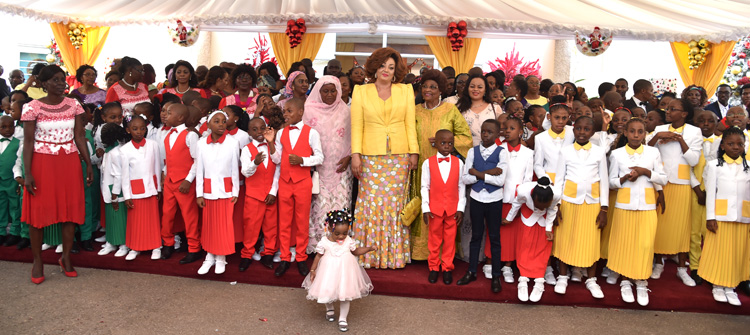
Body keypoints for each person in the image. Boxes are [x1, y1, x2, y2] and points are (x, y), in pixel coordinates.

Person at [21, 65, 93, 284]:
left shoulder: (73, 104)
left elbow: (80, 136)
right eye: (55, 80)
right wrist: (28, 173)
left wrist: (88, 164)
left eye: (63, 79)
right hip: (42, 163)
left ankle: (65, 257)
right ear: (44, 83)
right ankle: (38, 261)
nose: (61, 83)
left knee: (70, 211)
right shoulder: (32, 107)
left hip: (69, 160)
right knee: (38, 214)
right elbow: (28, 142)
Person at [350, 47, 418, 269]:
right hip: (370, 156)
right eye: (382, 66)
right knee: (370, 203)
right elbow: (356, 126)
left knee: (394, 205)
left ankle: (393, 255)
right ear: (374, 67)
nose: (386, 71)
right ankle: (368, 255)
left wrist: (414, 152)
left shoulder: (406, 90)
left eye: (391, 67)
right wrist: (356, 155)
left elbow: (410, 123)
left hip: (399, 156)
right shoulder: (361, 91)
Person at [410, 69, 472, 261]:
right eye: (425, 86)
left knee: (442, 209)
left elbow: (466, 138)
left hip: (444, 168)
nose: (428, 90)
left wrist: (443, 142)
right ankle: (420, 253)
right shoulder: (414, 110)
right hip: (418, 166)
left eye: (433, 87)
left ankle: (444, 256)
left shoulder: (450, 110)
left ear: (441, 91)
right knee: (422, 204)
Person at [607, 117, 667, 305]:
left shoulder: (653, 153)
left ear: (645, 134)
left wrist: (646, 172)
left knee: (644, 243)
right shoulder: (617, 154)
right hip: (624, 206)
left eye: (640, 132)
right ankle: (625, 279)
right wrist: (624, 178)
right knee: (625, 242)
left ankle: (641, 280)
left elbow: (663, 179)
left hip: (647, 206)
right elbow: (611, 182)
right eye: (632, 131)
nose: (636, 135)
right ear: (625, 133)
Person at [552, 116, 609, 299]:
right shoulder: (565, 151)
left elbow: (604, 182)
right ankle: (562, 276)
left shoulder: (599, 152)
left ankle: (591, 279)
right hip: (569, 201)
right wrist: (557, 205)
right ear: (573, 130)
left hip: (592, 203)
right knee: (565, 238)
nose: (582, 132)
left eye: (586, 129)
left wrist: (604, 208)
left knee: (591, 241)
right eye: (578, 129)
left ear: (593, 133)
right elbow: (559, 179)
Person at [647, 98, 702, 286]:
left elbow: (694, 160)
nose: (668, 112)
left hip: (681, 185)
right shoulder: (658, 130)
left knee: (681, 228)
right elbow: (647, 151)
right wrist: (657, 136)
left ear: (684, 113)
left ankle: (681, 268)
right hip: (661, 183)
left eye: (673, 109)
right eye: (667, 108)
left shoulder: (694, 132)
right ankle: (658, 263)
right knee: (660, 226)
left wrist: (680, 140)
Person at [270, 97, 324, 276]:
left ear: (301, 112)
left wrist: (303, 161)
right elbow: (277, 159)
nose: (285, 114)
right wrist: (270, 143)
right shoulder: (280, 133)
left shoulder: (312, 133)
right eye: (284, 111)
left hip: (302, 182)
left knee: (302, 222)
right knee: (284, 222)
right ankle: (285, 257)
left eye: (289, 111)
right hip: (285, 182)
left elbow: (319, 158)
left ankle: (301, 257)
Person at [699, 126, 750, 306]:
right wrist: (710, 217)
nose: (735, 147)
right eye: (731, 143)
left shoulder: (748, 167)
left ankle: (731, 286)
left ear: (744, 146)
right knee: (720, 252)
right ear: (723, 146)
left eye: (739, 144)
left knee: (737, 252)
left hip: (742, 217)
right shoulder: (714, 166)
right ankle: (717, 285)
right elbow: (711, 193)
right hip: (721, 216)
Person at [302, 76, 353, 253]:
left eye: (333, 91)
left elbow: (352, 137)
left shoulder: (345, 110)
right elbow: (304, 138)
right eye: (326, 91)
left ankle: (340, 244)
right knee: (319, 204)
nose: (330, 94)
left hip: (341, 167)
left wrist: (349, 157)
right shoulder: (309, 109)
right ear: (318, 91)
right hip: (319, 168)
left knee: (340, 203)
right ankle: (318, 244)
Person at [303, 209, 376, 332]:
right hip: (328, 271)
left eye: (345, 233)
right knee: (327, 290)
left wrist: (369, 248)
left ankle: (343, 318)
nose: (341, 236)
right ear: (330, 229)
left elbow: (356, 251)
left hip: (346, 272)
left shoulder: (348, 241)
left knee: (345, 295)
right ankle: (329, 308)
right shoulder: (324, 242)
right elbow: (318, 256)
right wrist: (313, 269)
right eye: (337, 233)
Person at [457, 120, 507, 292]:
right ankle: (471, 271)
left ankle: (495, 276)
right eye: (483, 131)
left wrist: (477, 173)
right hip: (477, 198)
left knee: (494, 237)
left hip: (494, 199)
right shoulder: (472, 151)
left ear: (497, 134)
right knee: (476, 235)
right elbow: (465, 178)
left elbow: (500, 180)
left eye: (490, 132)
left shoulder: (502, 153)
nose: (485, 135)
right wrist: (489, 173)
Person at [195, 110, 240, 275]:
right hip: (208, 190)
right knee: (209, 225)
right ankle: (209, 256)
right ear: (208, 124)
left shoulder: (232, 142)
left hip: (226, 191)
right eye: (217, 121)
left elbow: (235, 168)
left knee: (223, 225)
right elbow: (199, 169)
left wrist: (235, 190)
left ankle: (221, 257)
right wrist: (199, 193)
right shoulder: (201, 143)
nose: (221, 124)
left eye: (223, 121)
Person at [420, 130, 466, 285]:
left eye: (450, 143)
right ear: (435, 143)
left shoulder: (459, 163)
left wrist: (461, 208)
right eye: (443, 143)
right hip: (435, 209)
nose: (447, 146)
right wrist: (425, 208)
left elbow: (461, 187)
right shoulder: (428, 163)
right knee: (434, 240)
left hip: (453, 209)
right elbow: (424, 186)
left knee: (450, 240)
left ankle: (447, 268)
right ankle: (434, 267)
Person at [504, 177, 560, 302]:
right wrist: (509, 218)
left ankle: (540, 279)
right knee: (525, 246)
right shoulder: (523, 190)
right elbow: (516, 203)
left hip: (544, 221)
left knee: (543, 246)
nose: (540, 208)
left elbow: (552, 210)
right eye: (539, 205)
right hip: (527, 217)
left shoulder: (556, 194)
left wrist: (548, 229)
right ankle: (523, 278)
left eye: (543, 206)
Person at [160, 103, 202, 264]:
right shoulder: (168, 135)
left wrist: (188, 180)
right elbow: (169, 158)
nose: (165, 115)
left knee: (189, 216)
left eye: (169, 113)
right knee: (167, 215)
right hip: (170, 181)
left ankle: (194, 248)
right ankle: (168, 244)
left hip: (184, 183)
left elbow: (197, 160)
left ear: (180, 117)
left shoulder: (190, 135)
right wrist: (164, 173)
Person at [119, 115, 163, 260]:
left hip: (151, 188)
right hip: (135, 190)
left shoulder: (153, 145)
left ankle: (156, 246)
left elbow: (157, 167)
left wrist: (158, 189)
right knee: (136, 221)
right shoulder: (124, 150)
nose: (139, 132)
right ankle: (135, 247)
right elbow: (125, 175)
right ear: (128, 130)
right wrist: (127, 196)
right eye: (135, 129)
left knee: (153, 219)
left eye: (142, 128)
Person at [239, 117, 280, 271]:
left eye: (262, 128)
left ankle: (268, 254)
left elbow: (278, 168)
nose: (259, 132)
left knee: (271, 226)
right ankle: (247, 254)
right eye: (254, 129)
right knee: (251, 227)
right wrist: (255, 163)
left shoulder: (273, 146)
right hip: (253, 195)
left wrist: (273, 192)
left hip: (270, 195)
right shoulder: (246, 149)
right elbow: (245, 172)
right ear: (249, 132)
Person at [688, 110, 720, 284]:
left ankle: (710, 265)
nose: (706, 124)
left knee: (711, 231)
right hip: (696, 193)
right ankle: (695, 266)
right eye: (702, 121)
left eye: (710, 121)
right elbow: (689, 169)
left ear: (717, 123)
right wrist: (698, 190)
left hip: (716, 194)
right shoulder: (693, 143)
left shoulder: (722, 143)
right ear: (695, 122)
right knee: (694, 230)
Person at [97, 122, 129, 257]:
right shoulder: (109, 151)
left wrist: (115, 194)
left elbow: (118, 175)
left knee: (119, 217)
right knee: (111, 218)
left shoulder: (117, 152)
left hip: (116, 190)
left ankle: (123, 244)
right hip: (108, 188)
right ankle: (111, 242)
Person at [456, 74, 500, 146]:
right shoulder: (459, 108)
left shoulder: (495, 108)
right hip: (464, 153)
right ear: (467, 88)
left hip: (490, 152)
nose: (475, 89)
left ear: (485, 89)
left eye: (480, 87)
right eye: (472, 86)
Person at [0, 115, 23, 246]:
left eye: (10, 126)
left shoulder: (18, 143)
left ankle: (15, 232)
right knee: (1, 206)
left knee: (15, 207)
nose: (7, 129)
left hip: (12, 181)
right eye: (3, 127)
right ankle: (1, 231)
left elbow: (19, 162)